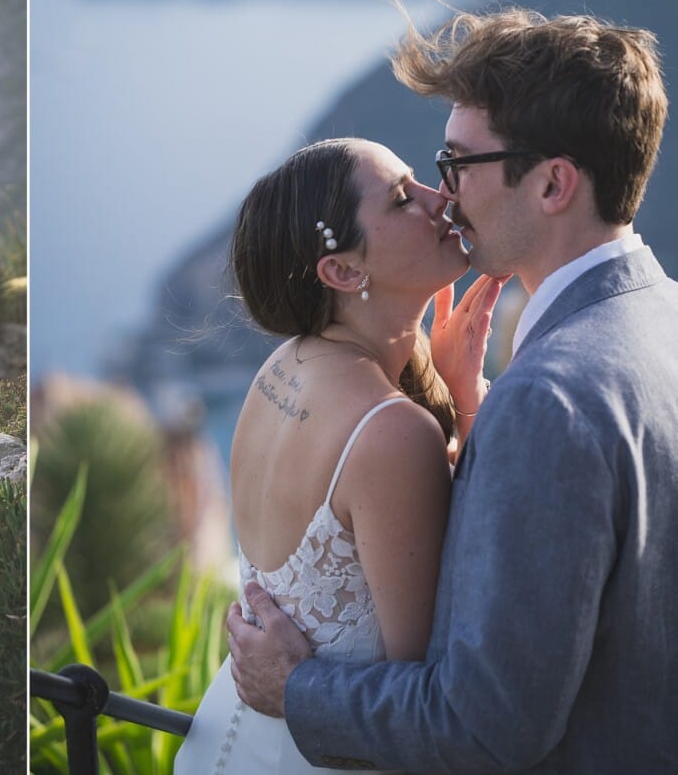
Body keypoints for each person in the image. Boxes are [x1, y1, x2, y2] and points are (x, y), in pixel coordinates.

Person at [227, 6, 678, 773]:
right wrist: (471, 409)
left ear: (552, 184)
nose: (445, 193)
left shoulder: (546, 400)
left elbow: (482, 724)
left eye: (458, 163)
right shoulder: (660, 314)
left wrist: (295, 684)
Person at [173, 136, 502, 774]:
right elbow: (423, 682)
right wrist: (468, 411)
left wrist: (455, 390)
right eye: (406, 198)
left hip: (237, 741)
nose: (444, 199)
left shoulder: (281, 366)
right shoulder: (394, 432)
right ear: (344, 272)